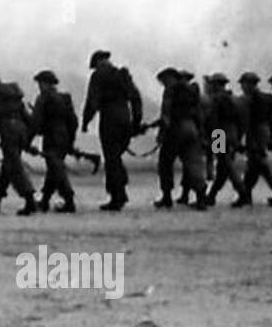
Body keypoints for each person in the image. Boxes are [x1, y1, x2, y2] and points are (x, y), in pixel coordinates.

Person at [82, 50, 142, 210]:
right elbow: (136, 97)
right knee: (116, 157)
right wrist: (136, 122)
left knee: (111, 158)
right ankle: (120, 192)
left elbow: (92, 101)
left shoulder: (98, 76)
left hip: (109, 118)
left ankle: (117, 196)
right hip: (125, 116)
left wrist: (85, 122)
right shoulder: (122, 74)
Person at [0, 75, 38, 216]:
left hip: (8, 133)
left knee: (14, 168)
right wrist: (27, 140)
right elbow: (28, 118)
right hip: (20, 131)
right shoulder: (13, 96)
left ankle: (29, 200)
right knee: (8, 167)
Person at [155, 67, 208, 210]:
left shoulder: (171, 91)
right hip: (196, 130)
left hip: (178, 129)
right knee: (194, 164)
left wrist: (161, 133)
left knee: (165, 162)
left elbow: (166, 114)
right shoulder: (195, 92)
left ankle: (167, 197)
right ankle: (201, 197)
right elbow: (202, 117)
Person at [29, 70, 79, 213]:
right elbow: (73, 121)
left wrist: (27, 140)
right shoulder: (65, 98)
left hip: (51, 138)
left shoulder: (43, 98)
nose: (39, 86)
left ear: (45, 84)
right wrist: (70, 140)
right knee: (53, 170)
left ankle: (69, 201)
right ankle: (44, 201)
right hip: (64, 138)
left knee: (56, 170)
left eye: (40, 83)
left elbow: (35, 123)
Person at [237, 71, 272, 206]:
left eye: (244, 84)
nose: (242, 87)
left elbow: (244, 120)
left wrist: (239, 139)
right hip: (258, 132)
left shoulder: (251, 99)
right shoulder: (264, 98)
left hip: (226, 134)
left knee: (255, 162)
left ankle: (245, 195)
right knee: (255, 165)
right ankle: (246, 195)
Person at [203, 73, 247, 206]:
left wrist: (210, 137)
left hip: (219, 134)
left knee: (225, 164)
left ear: (215, 85)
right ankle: (211, 196)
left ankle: (242, 192)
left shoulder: (216, 99)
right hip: (232, 133)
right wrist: (238, 137)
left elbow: (212, 120)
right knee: (223, 166)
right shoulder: (235, 99)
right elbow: (242, 121)